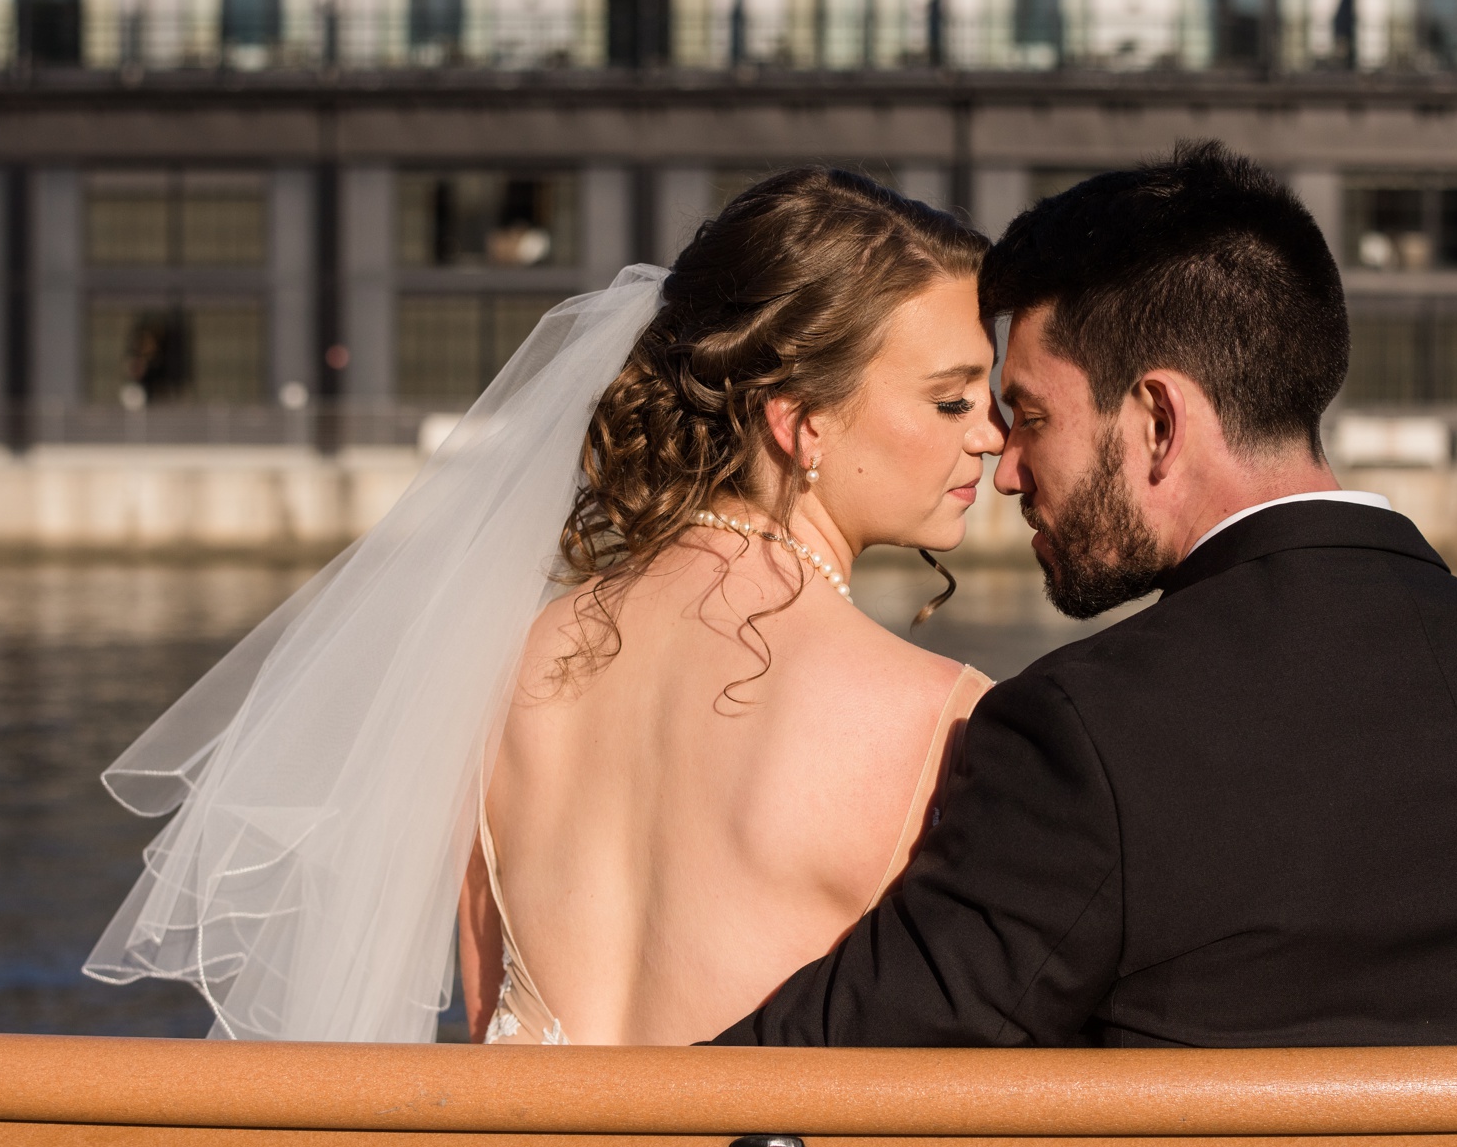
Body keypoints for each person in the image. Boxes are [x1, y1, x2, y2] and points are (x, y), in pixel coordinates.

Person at [714, 142, 1457, 1049]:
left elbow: (827, 1075)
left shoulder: (1085, 738)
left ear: (1155, 420)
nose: (1006, 470)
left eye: (1027, 417)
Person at [84, 168, 1004, 1044]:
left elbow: (487, 1009)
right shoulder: (944, 719)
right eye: (954, 400)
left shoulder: (500, 663)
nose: (991, 436)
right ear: (799, 420)